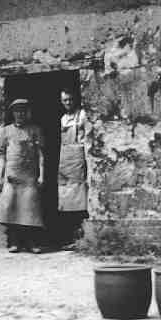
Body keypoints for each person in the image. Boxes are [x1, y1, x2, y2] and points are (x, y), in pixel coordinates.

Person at [0, 99, 45, 254]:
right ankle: (14, 242)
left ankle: (32, 243)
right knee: (11, 208)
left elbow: (41, 155)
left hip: (29, 176)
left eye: (23, 111)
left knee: (31, 210)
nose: (20, 114)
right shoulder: (6, 131)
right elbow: (2, 156)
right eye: (17, 111)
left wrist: (42, 175)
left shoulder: (35, 129)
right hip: (12, 175)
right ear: (13, 113)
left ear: (28, 112)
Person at [57, 89, 90, 249]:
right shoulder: (63, 118)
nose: (68, 103)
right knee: (65, 198)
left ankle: (81, 236)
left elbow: (86, 138)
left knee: (79, 197)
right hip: (65, 160)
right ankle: (70, 236)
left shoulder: (82, 115)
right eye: (65, 100)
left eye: (70, 99)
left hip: (77, 158)